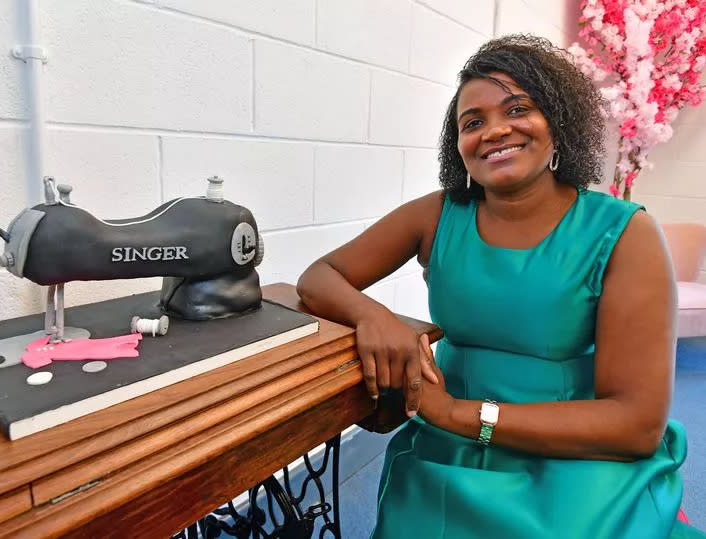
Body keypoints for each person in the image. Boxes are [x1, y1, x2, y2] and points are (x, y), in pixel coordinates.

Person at [297, 35, 705, 538]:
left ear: (557, 121)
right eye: (473, 123)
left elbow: (636, 425)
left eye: (518, 109)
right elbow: (319, 277)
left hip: (577, 453)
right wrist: (376, 317)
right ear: (459, 147)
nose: (494, 131)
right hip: (447, 453)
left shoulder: (622, 232)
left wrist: (457, 413)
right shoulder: (440, 213)